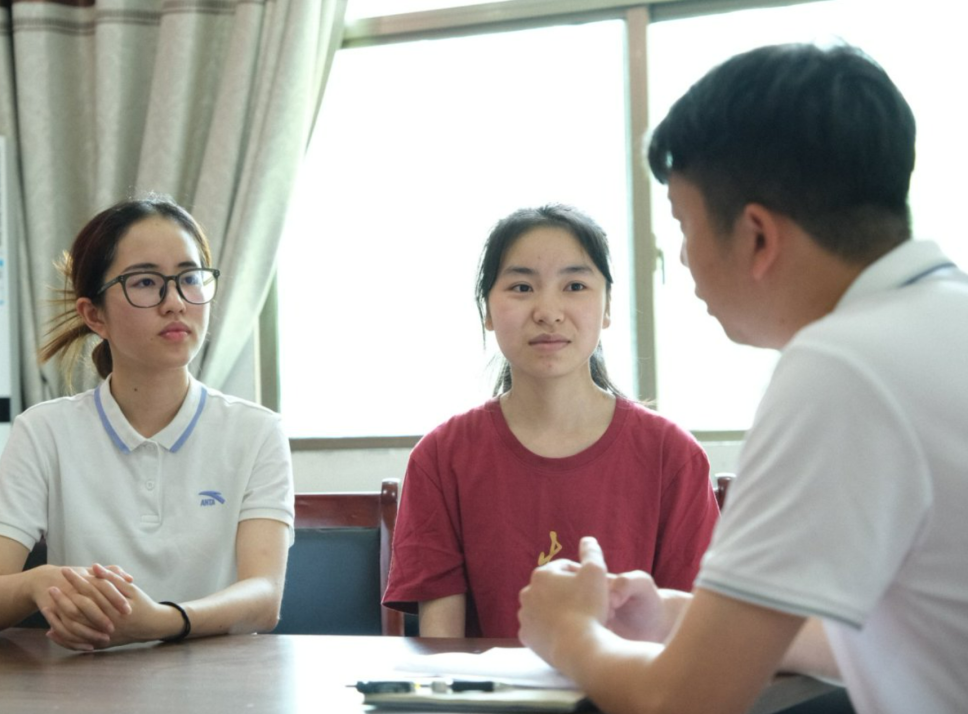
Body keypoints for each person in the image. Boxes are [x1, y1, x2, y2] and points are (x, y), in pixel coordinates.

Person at [517, 43, 968, 714]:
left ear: (757, 236)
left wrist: (568, 633)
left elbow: (683, 703)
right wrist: (674, 616)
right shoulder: (937, 320)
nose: (682, 259)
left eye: (684, 226)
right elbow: (901, 633)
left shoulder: (842, 366)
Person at [0, 196, 294, 651]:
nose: (175, 302)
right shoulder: (43, 431)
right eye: (146, 282)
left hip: (219, 679)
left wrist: (162, 621)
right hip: (86, 679)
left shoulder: (257, 432)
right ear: (94, 315)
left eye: (189, 278)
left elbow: (264, 597)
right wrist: (39, 582)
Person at [383, 204, 719, 638]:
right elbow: (441, 645)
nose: (548, 311)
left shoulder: (672, 454)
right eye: (521, 287)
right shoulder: (440, 457)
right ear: (487, 311)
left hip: (633, 682)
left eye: (575, 286)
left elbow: (691, 633)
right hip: (484, 686)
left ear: (607, 307)